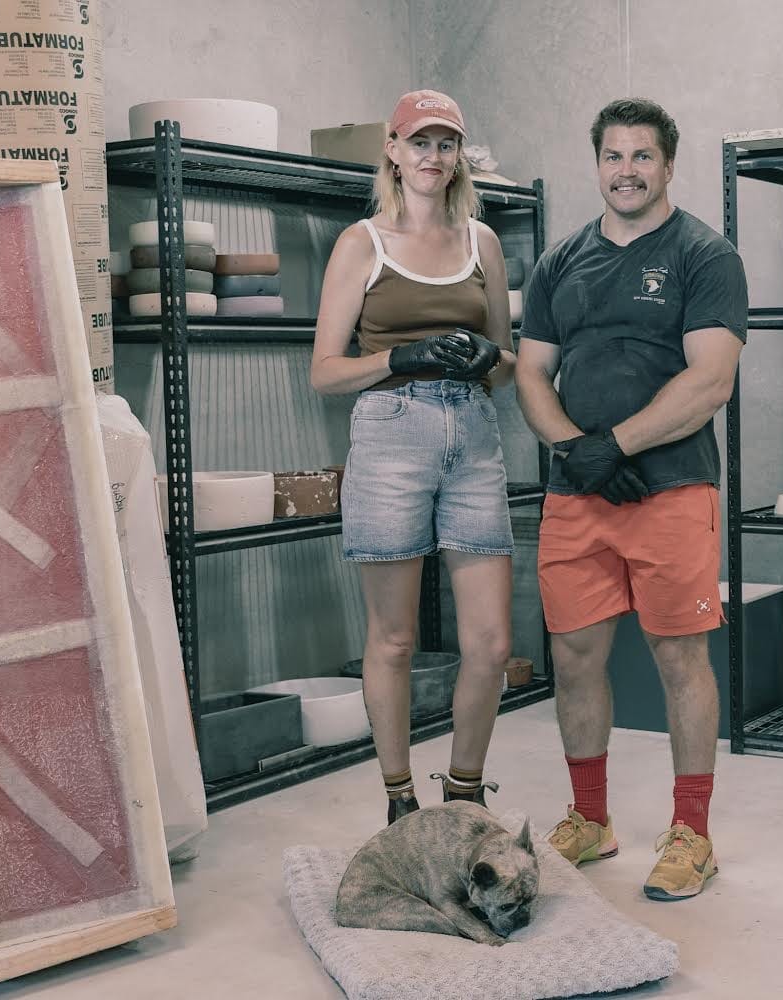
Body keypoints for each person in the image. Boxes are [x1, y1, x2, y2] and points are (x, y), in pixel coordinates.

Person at [515, 98, 747, 900]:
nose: (627, 171)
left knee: (680, 656)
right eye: (613, 157)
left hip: (671, 487)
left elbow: (710, 378)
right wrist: (575, 452)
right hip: (576, 491)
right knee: (574, 655)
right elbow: (530, 373)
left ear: (668, 164)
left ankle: (693, 833)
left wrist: (619, 446)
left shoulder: (704, 255)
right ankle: (590, 820)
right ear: (597, 164)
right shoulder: (559, 261)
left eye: (642, 157)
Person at [311, 90, 517, 826]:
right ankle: (400, 800)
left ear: (458, 155)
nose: (433, 156)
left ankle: (462, 797)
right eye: (419, 142)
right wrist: (402, 355)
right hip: (390, 432)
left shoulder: (480, 243)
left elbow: (505, 363)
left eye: (447, 143)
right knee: (394, 638)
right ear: (392, 151)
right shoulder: (361, 243)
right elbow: (325, 371)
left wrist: (490, 357)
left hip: (473, 434)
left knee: (491, 644)